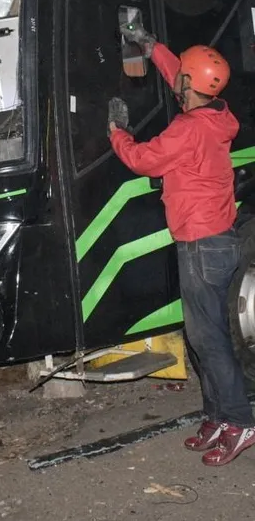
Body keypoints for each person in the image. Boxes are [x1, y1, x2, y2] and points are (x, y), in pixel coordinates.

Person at [107, 25, 255, 467]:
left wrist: (117, 130)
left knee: (208, 340)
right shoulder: (218, 118)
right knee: (206, 336)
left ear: (190, 85)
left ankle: (240, 421)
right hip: (218, 241)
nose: (177, 80)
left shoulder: (189, 129)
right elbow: (183, 75)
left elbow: (142, 158)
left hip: (200, 246)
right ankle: (216, 414)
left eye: (182, 77)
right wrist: (154, 50)